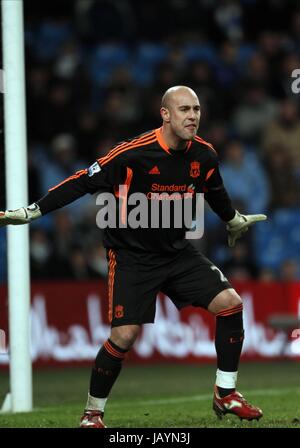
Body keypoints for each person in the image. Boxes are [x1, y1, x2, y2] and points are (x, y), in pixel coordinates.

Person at [0, 86, 266, 427]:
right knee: (124, 336)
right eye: (184, 109)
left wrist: (232, 220)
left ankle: (226, 393)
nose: (192, 116)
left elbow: (216, 193)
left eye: (197, 109)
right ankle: (92, 413)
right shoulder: (133, 154)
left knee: (231, 304)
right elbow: (82, 181)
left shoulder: (204, 156)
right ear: (165, 114)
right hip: (132, 256)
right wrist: (33, 211)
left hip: (177, 252)